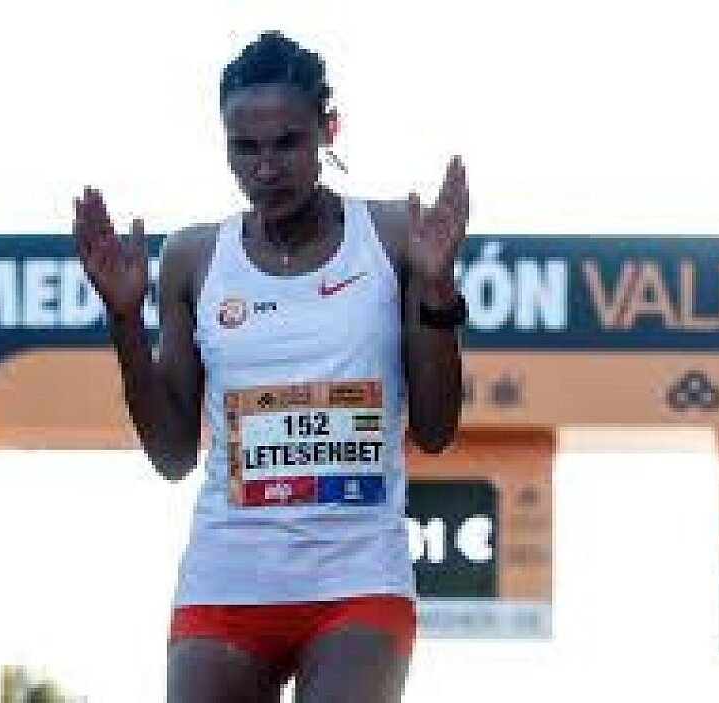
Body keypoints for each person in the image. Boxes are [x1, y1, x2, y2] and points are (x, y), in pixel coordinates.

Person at [72, 30, 467, 703]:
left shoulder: (393, 236)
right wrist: (124, 321)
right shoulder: (194, 257)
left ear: (328, 132)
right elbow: (172, 456)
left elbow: (434, 429)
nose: (266, 168)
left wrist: (435, 288)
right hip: (227, 578)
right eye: (245, 148)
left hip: (357, 578)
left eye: (287, 143)